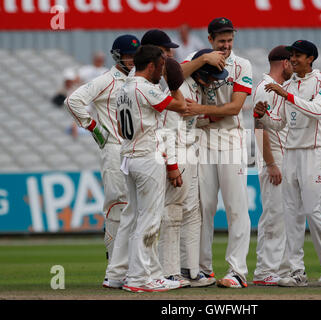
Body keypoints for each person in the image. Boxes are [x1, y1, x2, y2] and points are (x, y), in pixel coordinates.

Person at [254, 40, 321, 287]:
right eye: (291, 55)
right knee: (292, 216)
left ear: (311, 58)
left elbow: (317, 110)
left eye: (298, 55)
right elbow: (280, 123)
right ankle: (296, 271)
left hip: (315, 153)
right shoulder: (289, 85)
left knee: (314, 213)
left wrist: (287, 95)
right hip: (291, 153)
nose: (293, 59)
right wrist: (264, 116)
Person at [105, 44, 187, 292]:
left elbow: (120, 128)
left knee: (134, 218)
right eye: (161, 67)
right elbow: (180, 106)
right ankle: (141, 279)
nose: (161, 71)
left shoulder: (124, 88)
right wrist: (173, 85)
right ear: (151, 65)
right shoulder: (147, 89)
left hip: (128, 156)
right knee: (149, 221)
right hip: (147, 158)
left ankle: (127, 274)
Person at [182, 17, 252, 289]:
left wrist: (199, 110)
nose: (226, 46)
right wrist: (203, 61)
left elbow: (235, 108)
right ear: (210, 40)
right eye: (221, 41)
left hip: (231, 137)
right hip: (202, 139)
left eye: (229, 40)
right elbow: (173, 74)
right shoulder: (196, 58)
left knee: (236, 207)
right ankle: (203, 269)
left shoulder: (242, 65)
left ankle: (237, 271)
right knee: (204, 207)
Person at [64, 34, 140, 279]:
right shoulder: (106, 80)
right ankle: (114, 270)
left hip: (136, 151)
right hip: (114, 150)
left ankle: (132, 268)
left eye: (135, 56)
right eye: (128, 55)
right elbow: (73, 101)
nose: (132, 60)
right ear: (118, 56)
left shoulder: (139, 81)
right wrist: (95, 129)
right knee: (117, 207)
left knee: (136, 210)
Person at [158, 49, 229, 288]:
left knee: (193, 211)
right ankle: (168, 271)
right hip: (176, 150)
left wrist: (209, 117)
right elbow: (168, 128)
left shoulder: (198, 89)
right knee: (173, 211)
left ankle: (190, 269)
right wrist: (172, 165)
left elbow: (192, 120)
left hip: (191, 148)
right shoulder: (179, 87)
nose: (212, 83)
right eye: (209, 77)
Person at [252, 45, 293, 286]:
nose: (294, 66)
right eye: (292, 62)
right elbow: (259, 129)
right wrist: (270, 163)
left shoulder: (279, 89)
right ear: (284, 63)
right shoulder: (264, 89)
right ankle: (265, 270)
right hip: (272, 156)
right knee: (273, 215)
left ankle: (280, 268)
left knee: (283, 215)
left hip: (281, 154)